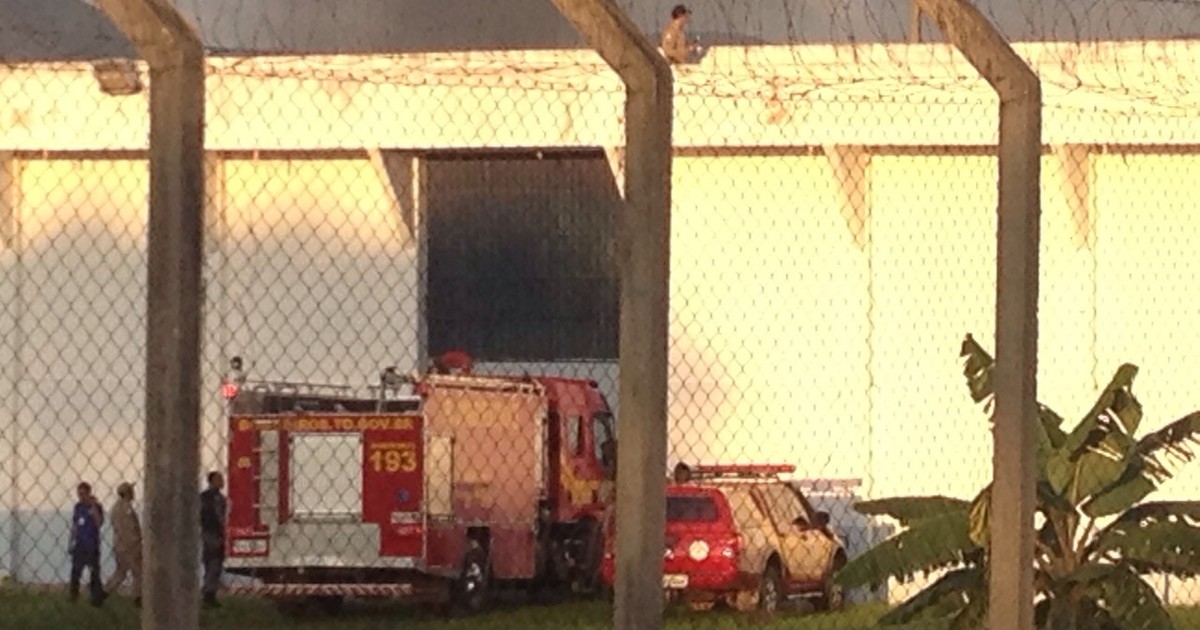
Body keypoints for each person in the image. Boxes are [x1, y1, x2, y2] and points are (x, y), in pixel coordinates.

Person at [104, 482, 142, 607]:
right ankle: (138, 596)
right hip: (130, 545)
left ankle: (104, 592)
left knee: (120, 571)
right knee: (138, 572)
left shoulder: (115, 508)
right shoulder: (127, 508)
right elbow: (130, 528)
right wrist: (138, 542)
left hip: (119, 544)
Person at [68, 482, 106, 606]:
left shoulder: (96, 507)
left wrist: (93, 506)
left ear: (89, 493)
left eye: (83, 494)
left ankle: (96, 599)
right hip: (80, 544)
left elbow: (99, 523)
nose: (81, 497)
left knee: (94, 572)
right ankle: (73, 596)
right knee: (75, 572)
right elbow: (75, 526)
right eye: (79, 494)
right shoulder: (78, 507)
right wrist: (71, 541)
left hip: (92, 544)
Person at [199, 471, 228, 608]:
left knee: (215, 564)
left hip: (217, 533)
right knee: (212, 562)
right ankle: (208, 594)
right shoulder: (206, 498)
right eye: (219, 479)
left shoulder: (220, 498)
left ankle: (210, 592)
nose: (222, 481)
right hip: (210, 533)